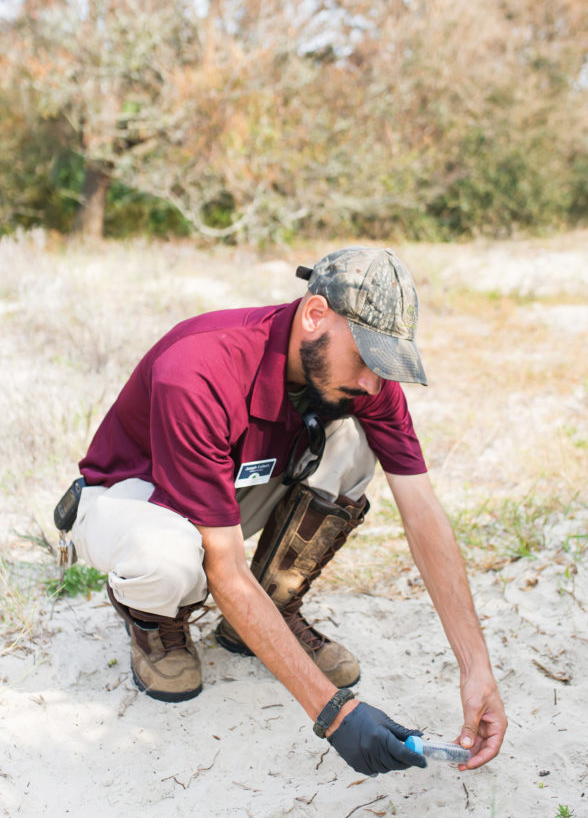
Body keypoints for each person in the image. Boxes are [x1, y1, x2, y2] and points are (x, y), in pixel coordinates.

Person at [62, 246, 507, 777]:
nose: (372, 382)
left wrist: (476, 669)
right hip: (130, 499)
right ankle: (153, 620)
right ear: (315, 314)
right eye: (366, 357)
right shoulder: (199, 369)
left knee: (354, 442)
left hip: (223, 489)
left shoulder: (365, 382)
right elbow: (224, 569)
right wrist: (335, 714)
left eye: (385, 365)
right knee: (171, 557)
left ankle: (270, 607)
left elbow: (423, 511)